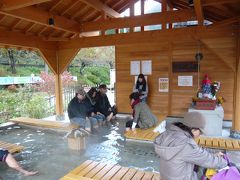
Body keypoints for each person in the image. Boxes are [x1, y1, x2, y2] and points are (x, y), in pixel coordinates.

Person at [154, 112, 228, 180]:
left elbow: (197, 152)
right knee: (209, 172)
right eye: (201, 132)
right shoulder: (186, 145)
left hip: (166, 177)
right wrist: (226, 163)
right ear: (194, 130)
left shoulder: (169, 133)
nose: (200, 135)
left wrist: (213, 154)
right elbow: (208, 160)